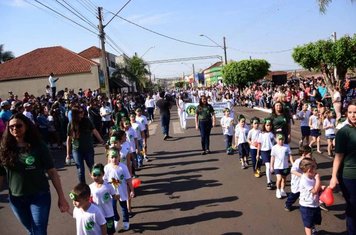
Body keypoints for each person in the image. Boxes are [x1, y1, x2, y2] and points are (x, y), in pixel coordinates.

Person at [0, 113, 69, 234]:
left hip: (39, 195)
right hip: (16, 199)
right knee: (31, 230)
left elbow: (52, 172)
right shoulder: (5, 148)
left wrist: (61, 197)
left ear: (26, 126)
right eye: (11, 127)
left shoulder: (38, 146)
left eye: (18, 125)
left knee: (39, 231)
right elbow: (0, 175)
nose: (15, 128)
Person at [329, 99, 356, 234]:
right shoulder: (343, 132)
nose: (353, 115)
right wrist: (333, 176)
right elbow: (338, 156)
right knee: (353, 208)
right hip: (349, 176)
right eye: (350, 112)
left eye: (355, 112)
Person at [66, 105, 105, 184]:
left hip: (88, 149)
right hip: (76, 150)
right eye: (80, 112)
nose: (82, 113)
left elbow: (94, 131)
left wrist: (101, 141)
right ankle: (83, 187)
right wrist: (68, 154)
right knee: (80, 170)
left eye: (83, 111)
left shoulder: (87, 121)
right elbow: (69, 139)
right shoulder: (71, 124)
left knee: (92, 168)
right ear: (75, 114)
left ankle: (97, 184)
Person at [103, 148, 135, 231]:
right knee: (112, 207)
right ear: (109, 158)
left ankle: (126, 222)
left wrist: (132, 190)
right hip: (112, 193)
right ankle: (116, 218)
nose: (114, 159)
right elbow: (105, 180)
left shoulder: (123, 167)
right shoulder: (106, 168)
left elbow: (128, 179)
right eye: (112, 157)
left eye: (116, 157)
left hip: (122, 192)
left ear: (119, 157)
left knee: (124, 207)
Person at [89, 163, 120, 235]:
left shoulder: (108, 185)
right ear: (90, 174)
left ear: (103, 174)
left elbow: (114, 196)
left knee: (110, 232)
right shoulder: (90, 187)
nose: (97, 177)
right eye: (94, 175)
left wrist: (117, 196)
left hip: (108, 213)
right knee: (99, 232)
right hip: (97, 214)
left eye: (99, 175)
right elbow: (89, 199)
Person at [284, 145, 313, 212]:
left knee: (307, 193)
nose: (311, 155)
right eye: (310, 154)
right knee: (295, 195)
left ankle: (308, 206)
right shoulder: (298, 161)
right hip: (297, 182)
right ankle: (288, 204)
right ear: (304, 154)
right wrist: (302, 176)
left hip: (305, 182)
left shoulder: (309, 161)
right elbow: (292, 171)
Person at [299, 158, 322, 235]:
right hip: (306, 206)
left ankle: (313, 227)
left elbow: (316, 186)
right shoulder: (304, 180)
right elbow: (314, 191)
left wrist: (321, 187)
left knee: (315, 220)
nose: (316, 171)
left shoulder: (312, 177)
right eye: (315, 169)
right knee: (307, 225)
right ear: (309, 170)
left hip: (315, 204)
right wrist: (318, 178)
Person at [270, 134, 294, 199]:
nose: (281, 141)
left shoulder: (287, 146)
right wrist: (271, 166)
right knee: (279, 179)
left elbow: (290, 156)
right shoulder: (274, 147)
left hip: (285, 166)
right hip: (277, 166)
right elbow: (272, 157)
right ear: (276, 140)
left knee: (284, 179)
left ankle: (282, 190)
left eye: (282, 139)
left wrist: (292, 163)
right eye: (279, 140)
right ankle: (278, 190)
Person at [257, 118, 275, 190]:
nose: (269, 127)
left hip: (272, 151)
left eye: (270, 125)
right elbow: (259, 144)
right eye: (267, 125)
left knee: (271, 167)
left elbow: (276, 141)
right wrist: (258, 154)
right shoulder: (261, 134)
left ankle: (270, 179)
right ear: (264, 125)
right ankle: (268, 182)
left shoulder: (273, 133)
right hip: (264, 152)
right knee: (268, 166)